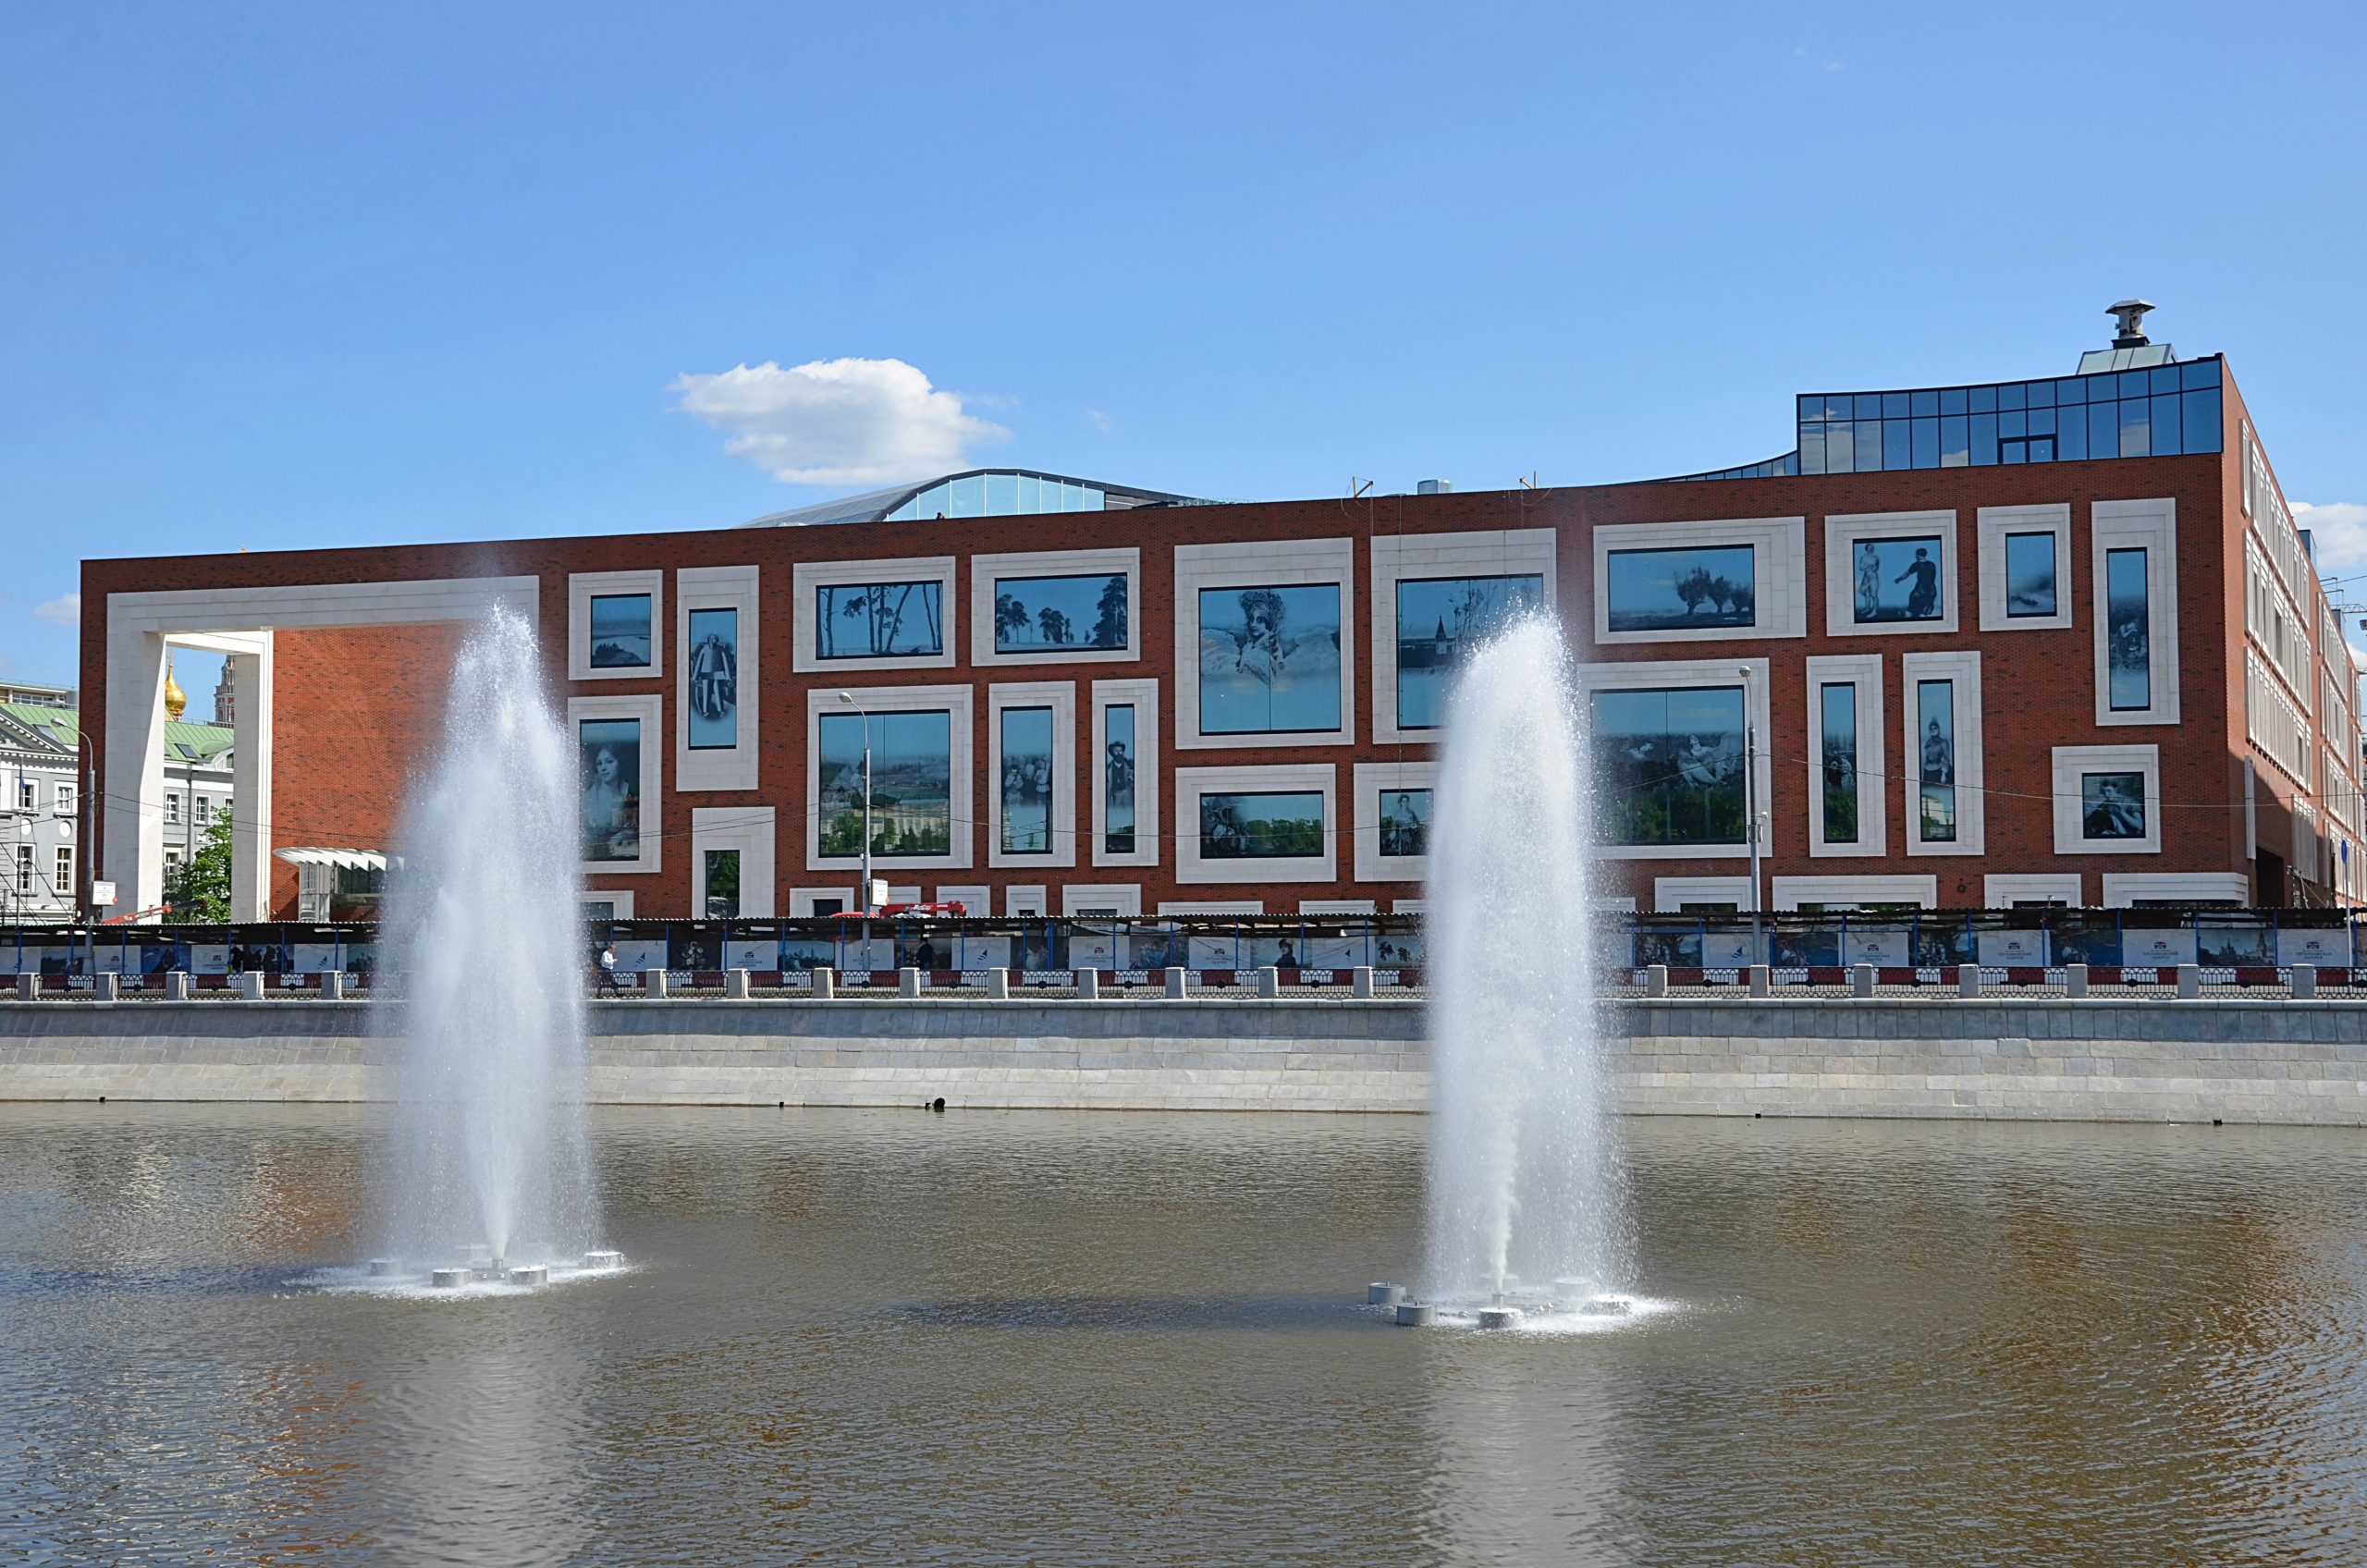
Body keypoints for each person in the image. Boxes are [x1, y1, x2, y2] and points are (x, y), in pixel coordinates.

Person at [1895, 546, 1940, 619]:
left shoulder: (1916, 565)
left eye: (1916, 555)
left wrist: (1899, 579)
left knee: (1911, 607)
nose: (1915, 556)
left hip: (1920, 589)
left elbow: (1907, 574)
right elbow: (1932, 577)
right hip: (1931, 589)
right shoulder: (1932, 564)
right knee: (1925, 609)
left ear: (1918, 555)